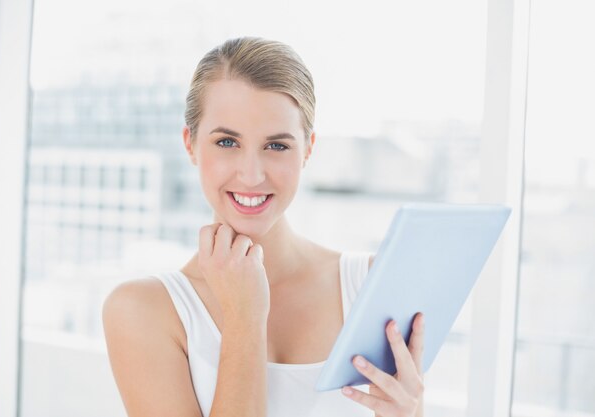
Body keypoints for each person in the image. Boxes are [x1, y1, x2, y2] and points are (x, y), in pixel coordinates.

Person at [102, 36, 425, 417]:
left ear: (308, 148)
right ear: (190, 144)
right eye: (226, 142)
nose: (252, 175)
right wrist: (244, 317)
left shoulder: (374, 287)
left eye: (276, 146)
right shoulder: (143, 311)